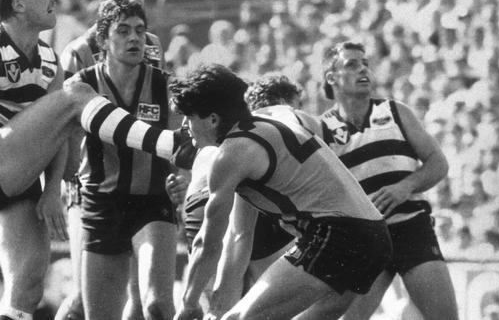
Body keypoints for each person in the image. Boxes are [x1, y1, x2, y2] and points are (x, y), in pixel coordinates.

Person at [0, 0, 187, 320]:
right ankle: (166, 144)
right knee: (77, 94)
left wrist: (52, 190)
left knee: (27, 287)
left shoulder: (49, 58)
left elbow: (57, 132)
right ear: (18, 4)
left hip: (20, 176)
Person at [170, 64, 392, 320]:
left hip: (338, 234)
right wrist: (217, 308)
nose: (185, 126)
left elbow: (208, 244)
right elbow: (238, 237)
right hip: (375, 235)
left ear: (212, 119)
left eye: (189, 117)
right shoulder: (267, 124)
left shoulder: (231, 154)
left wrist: (188, 303)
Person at [313, 41, 458, 320]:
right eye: (352, 64)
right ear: (332, 78)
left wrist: (406, 186)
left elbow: (438, 163)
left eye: (365, 63)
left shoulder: (394, 111)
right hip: (364, 239)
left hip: (411, 229)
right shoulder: (322, 129)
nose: (363, 69)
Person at [56, 0, 166, 318]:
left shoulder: (152, 45)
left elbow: (155, 107)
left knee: (143, 292)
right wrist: (63, 183)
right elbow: (67, 123)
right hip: (89, 184)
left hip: (144, 184)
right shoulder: (78, 52)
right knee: (83, 296)